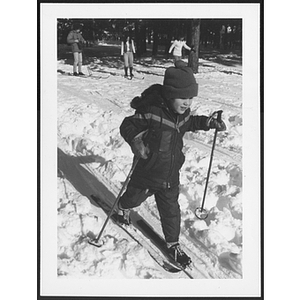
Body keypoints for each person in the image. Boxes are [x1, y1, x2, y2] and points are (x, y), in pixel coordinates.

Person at [117, 60, 226, 267]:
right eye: (183, 97)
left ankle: (173, 243)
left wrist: (208, 123)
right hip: (147, 172)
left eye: (191, 98)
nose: (187, 103)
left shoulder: (183, 114)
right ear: (169, 94)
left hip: (170, 176)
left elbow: (190, 122)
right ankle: (123, 207)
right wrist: (136, 141)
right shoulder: (151, 111)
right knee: (133, 198)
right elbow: (127, 125)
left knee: (171, 211)